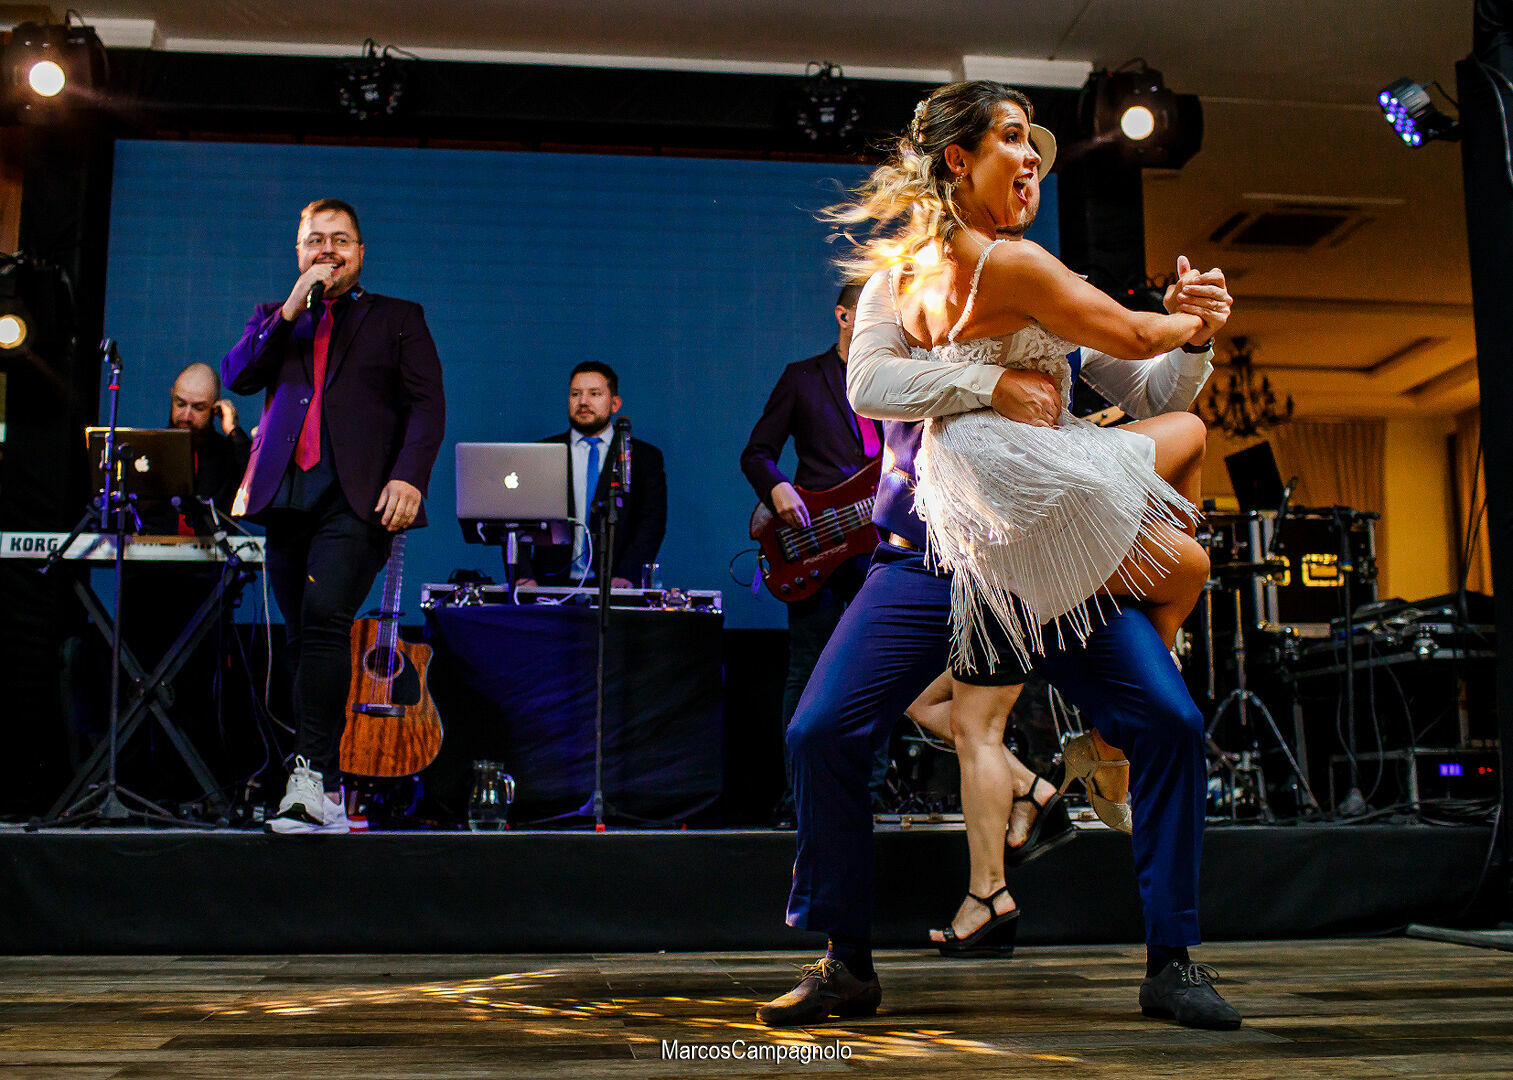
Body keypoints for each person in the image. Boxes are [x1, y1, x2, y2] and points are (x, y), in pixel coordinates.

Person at [759, 80, 1239, 1032]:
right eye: (1012, 141)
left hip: (1043, 560)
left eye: (1034, 148)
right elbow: (871, 383)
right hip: (927, 559)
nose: (1030, 163)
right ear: (958, 160)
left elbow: (1151, 388)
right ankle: (843, 962)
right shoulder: (900, 279)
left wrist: (1198, 336)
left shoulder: (1041, 276)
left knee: (1172, 722)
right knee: (819, 733)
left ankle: (1172, 960)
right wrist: (990, 384)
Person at [223, 197, 446, 835]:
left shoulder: (398, 318)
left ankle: (311, 776)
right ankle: (324, 789)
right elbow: (238, 375)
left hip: (359, 496)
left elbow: (428, 406)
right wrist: (290, 309)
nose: (328, 250)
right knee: (301, 634)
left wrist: (409, 476)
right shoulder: (275, 317)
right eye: (316, 240)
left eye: (341, 240)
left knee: (325, 619)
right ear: (299, 252)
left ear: (360, 252)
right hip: (288, 493)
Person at [740, 281, 884, 822]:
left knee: (879, 667)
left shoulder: (896, 378)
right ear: (843, 316)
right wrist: (777, 487)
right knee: (808, 666)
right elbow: (756, 453)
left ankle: (870, 791)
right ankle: (798, 792)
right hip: (815, 544)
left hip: (880, 545)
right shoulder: (804, 377)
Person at [519, 361, 667, 589]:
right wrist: (524, 576)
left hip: (615, 585)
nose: (583, 402)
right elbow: (516, 521)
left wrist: (627, 574)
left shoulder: (643, 457)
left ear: (615, 403)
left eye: (594, 394)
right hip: (548, 586)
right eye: (575, 394)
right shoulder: (542, 453)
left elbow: (652, 523)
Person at [136, 362, 252, 537]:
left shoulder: (229, 453)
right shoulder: (149, 450)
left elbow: (259, 488)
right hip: (152, 552)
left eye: (198, 408)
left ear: (215, 409)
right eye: (180, 404)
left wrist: (234, 431)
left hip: (214, 551)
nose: (186, 416)